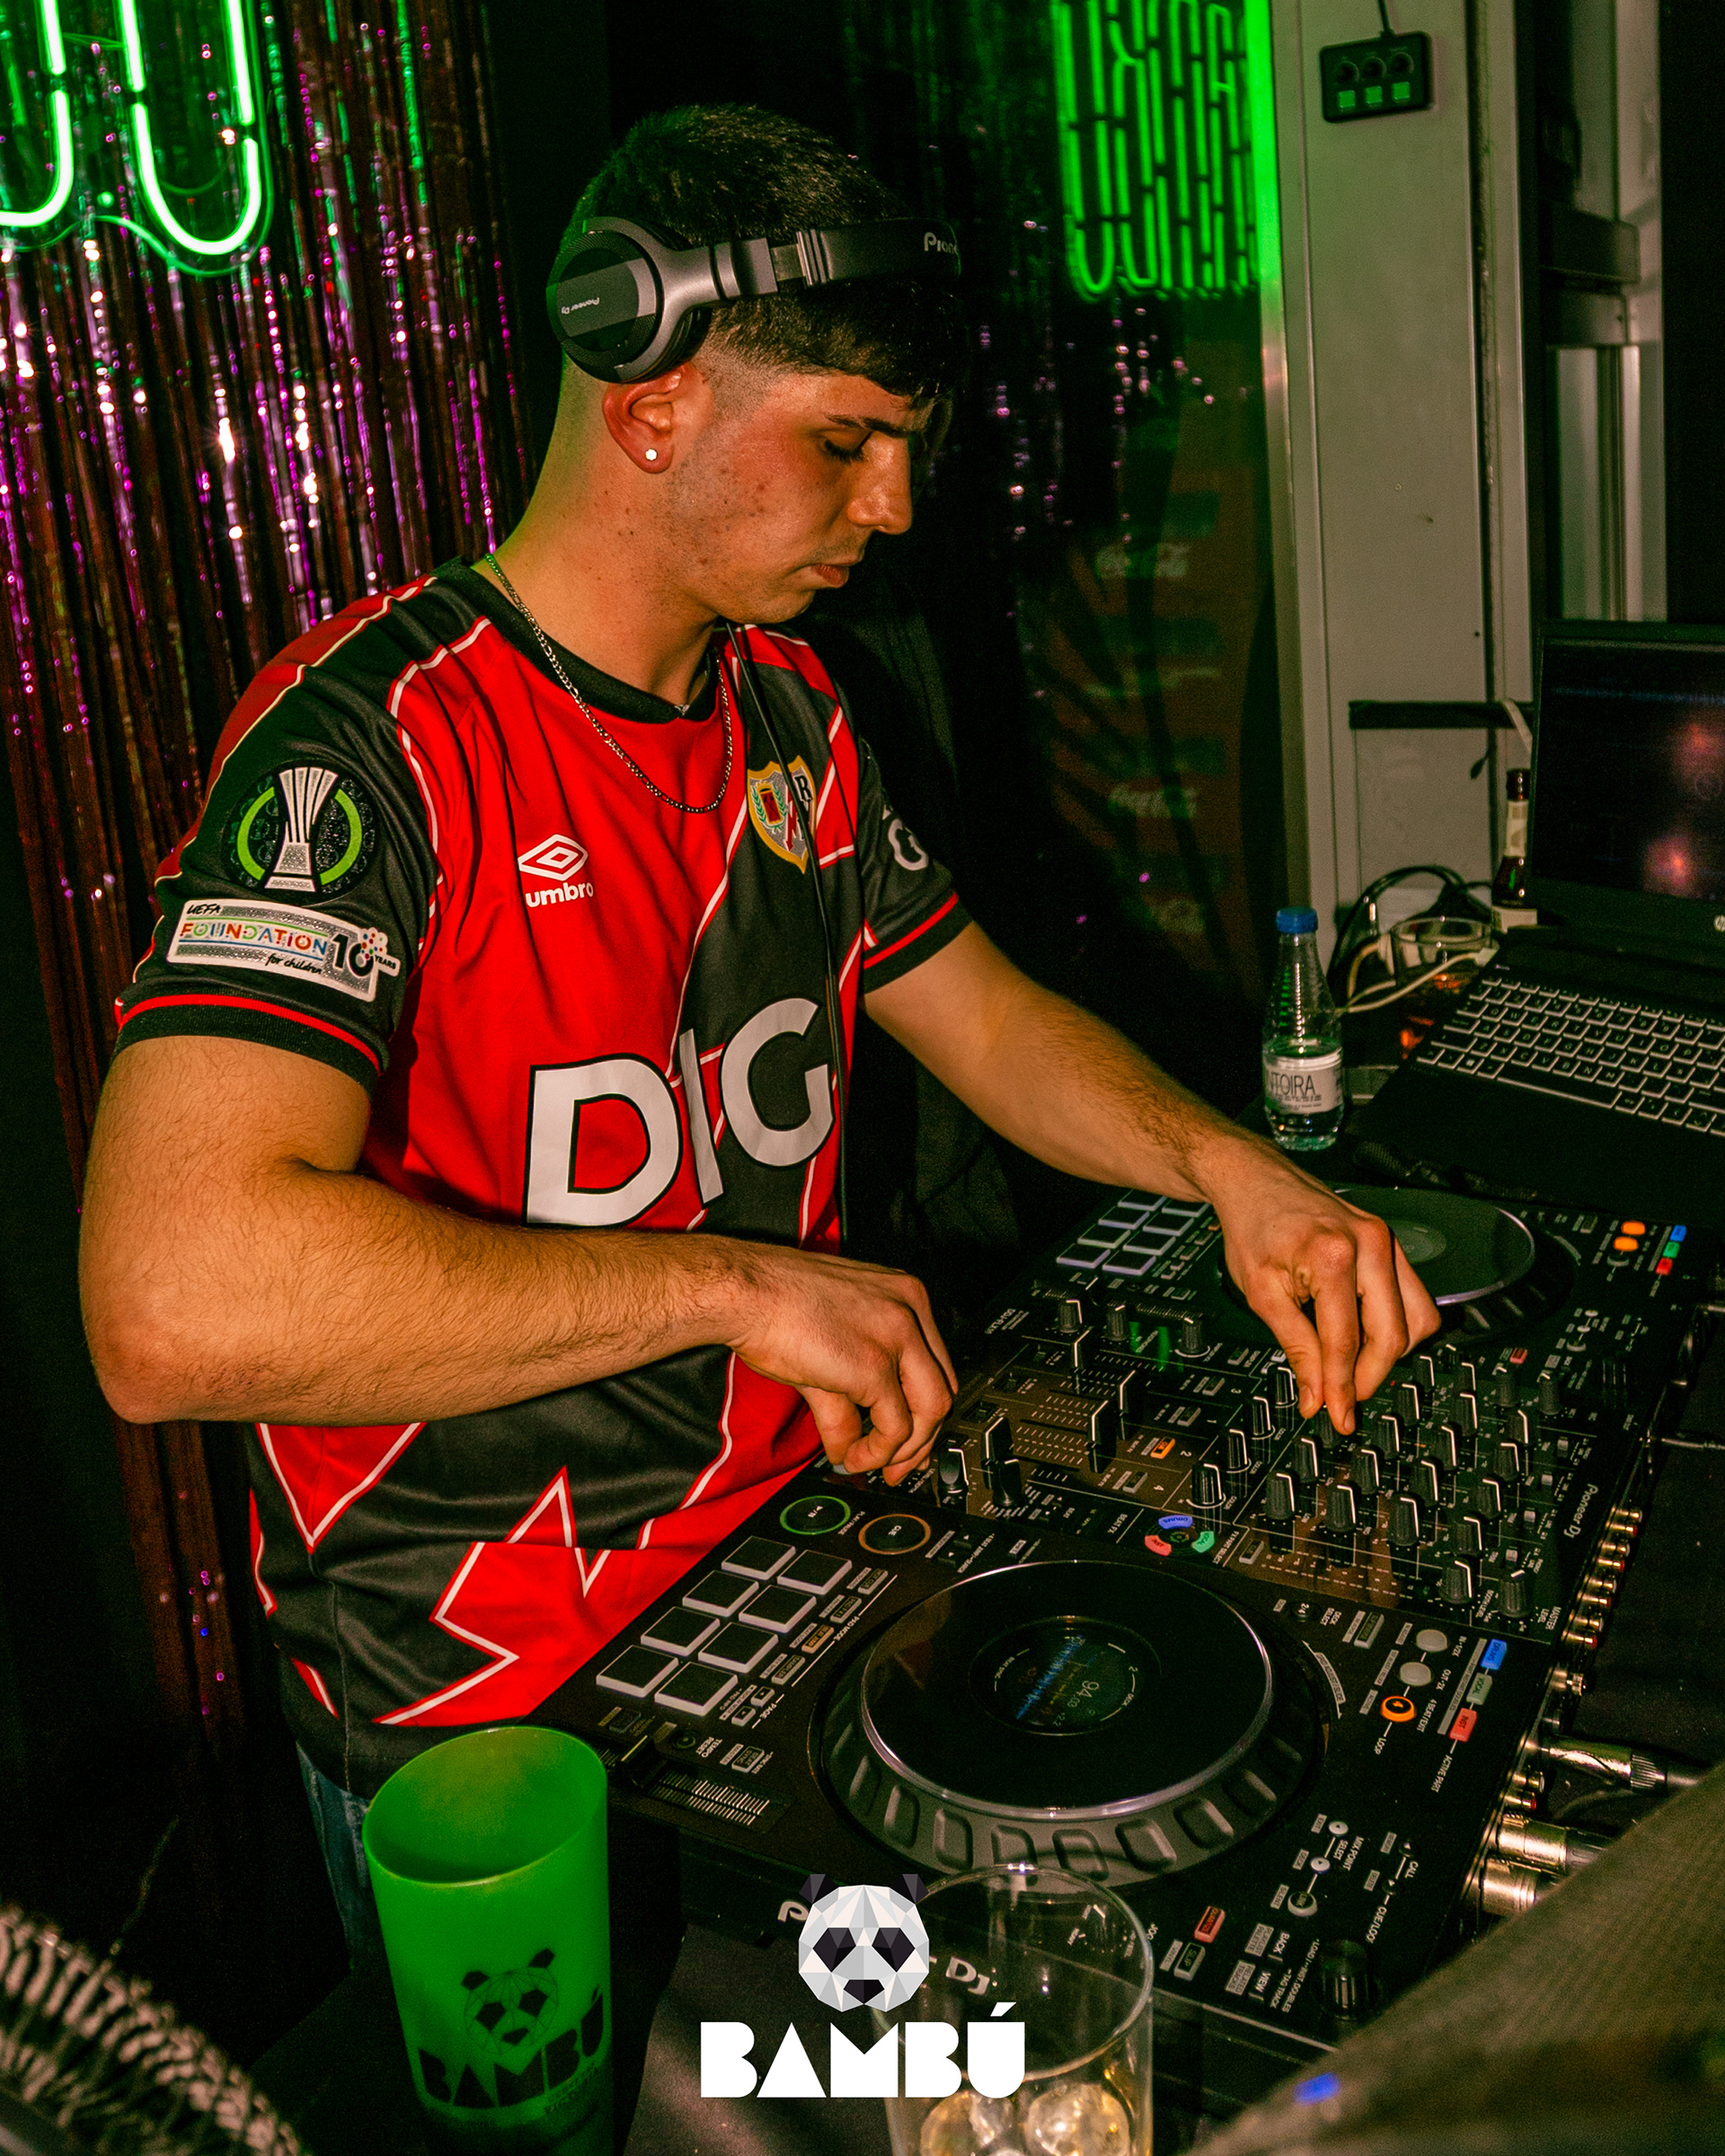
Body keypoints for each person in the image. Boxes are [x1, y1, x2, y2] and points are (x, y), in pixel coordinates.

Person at [79, 106, 1438, 1948]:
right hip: (482, 1713)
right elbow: (170, 1306)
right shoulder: (375, 742)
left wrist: (1229, 1169)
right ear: (654, 406)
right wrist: (733, 1285)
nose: (894, 507)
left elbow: (986, 1020)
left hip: (784, 1584)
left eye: (906, 450)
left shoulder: (796, 709)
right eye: (846, 442)